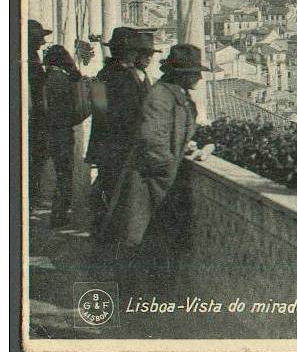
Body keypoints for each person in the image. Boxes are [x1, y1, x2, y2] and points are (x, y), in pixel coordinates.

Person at [101, 44, 208, 294]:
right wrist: (170, 170)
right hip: (150, 180)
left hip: (154, 177)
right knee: (138, 239)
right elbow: (152, 141)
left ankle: (147, 295)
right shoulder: (160, 96)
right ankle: (136, 300)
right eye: (193, 72)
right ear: (179, 73)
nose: (199, 77)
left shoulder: (174, 94)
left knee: (153, 241)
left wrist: (185, 147)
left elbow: (168, 133)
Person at [86, 27, 158, 231]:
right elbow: (132, 115)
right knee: (119, 195)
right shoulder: (126, 78)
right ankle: (109, 238)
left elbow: (98, 111)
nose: (138, 54)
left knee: (107, 190)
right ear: (129, 52)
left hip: (105, 145)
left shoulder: (102, 75)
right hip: (122, 147)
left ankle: (102, 231)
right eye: (135, 50)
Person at [43, 44, 83, 227]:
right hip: (62, 133)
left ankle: (59, 213)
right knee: (65, 174)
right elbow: (69, 110)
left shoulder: (48, 77)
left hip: (53, 132)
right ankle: (59, 214)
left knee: (61, 173)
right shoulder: (60, 80)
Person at [27, 20, 52, 210]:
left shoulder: (33, 58)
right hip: (35, 120)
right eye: (40, 38)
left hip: (37, 119)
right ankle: (31, 198)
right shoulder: (29, 60)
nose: (43, 42)